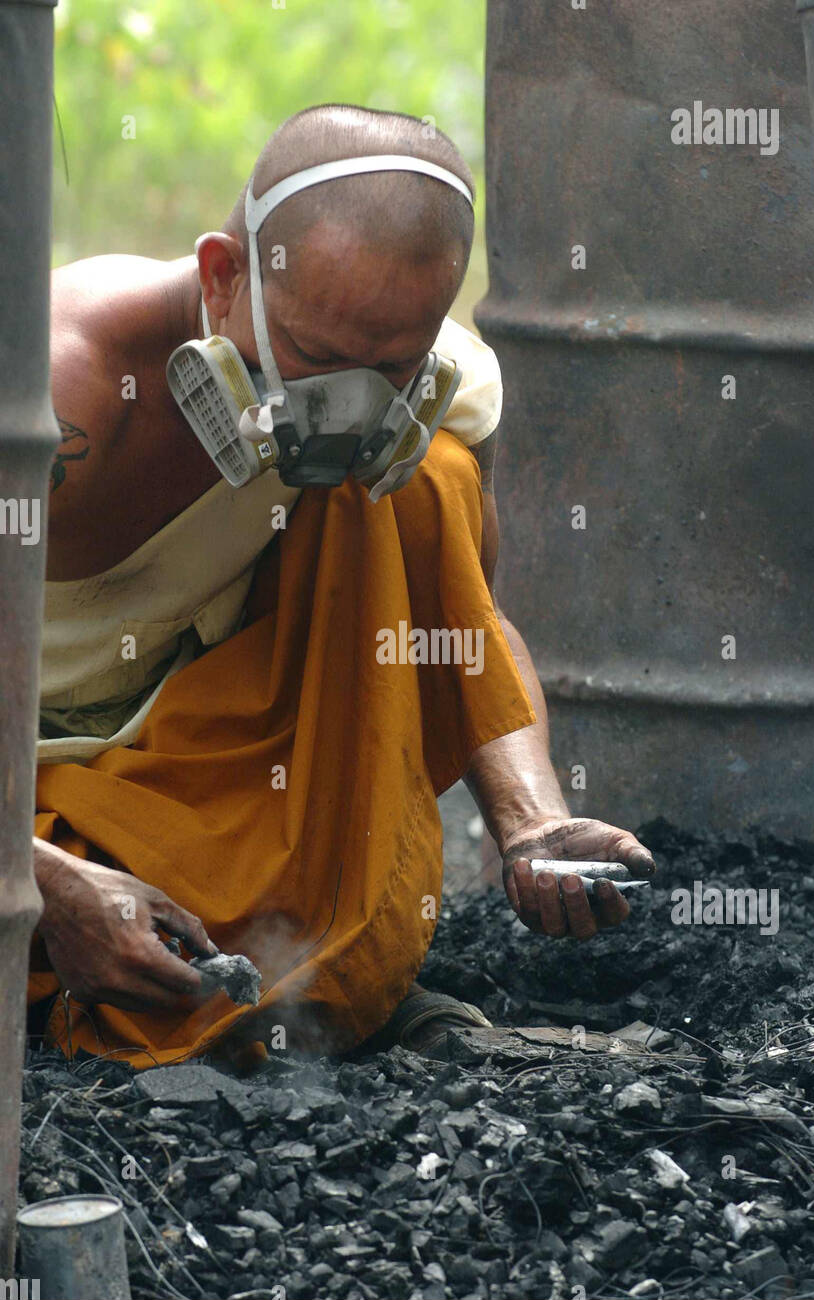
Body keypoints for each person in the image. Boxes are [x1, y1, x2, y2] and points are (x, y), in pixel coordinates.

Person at [28, 104, 654, 1067]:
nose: (351, 406)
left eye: (393, 367)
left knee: (426, 480)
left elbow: (460, 623)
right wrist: (44, 887)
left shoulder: (435, 389)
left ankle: (305, 978)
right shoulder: (53, 398)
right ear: (222, 276)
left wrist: (529, 823)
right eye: (317, 360)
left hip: (187, 766)